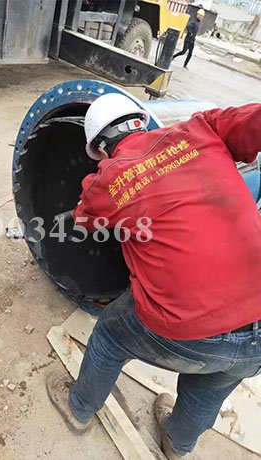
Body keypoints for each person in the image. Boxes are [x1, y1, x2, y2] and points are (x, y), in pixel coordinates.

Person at [45, 93, 261, 459]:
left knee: (111, 335)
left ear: (100, 148)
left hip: (191, 329)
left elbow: (85, 218)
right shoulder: (203, 129)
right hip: (258, 331)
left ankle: (78, 407)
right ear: (141, 121)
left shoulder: (112, 177)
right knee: (213, 382)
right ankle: (177, 445)